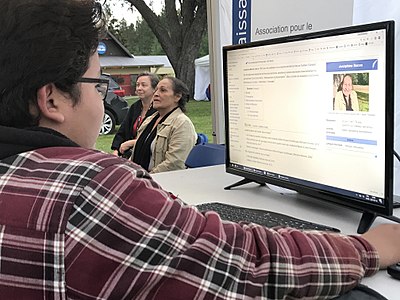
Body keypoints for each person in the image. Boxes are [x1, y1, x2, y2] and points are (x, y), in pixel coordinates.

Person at [1, 1, 400, 299]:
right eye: (98, 84)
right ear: (51, 100)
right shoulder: (87, 188)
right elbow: (250, 265)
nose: (102, 101)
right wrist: (371, 249)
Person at [126, 76, 197, 173]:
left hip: (161, 182)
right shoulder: (149, 120)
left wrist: (147, 179)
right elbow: (136, 154)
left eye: (163, 90)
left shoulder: (182, 124)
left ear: (177, 96)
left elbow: (174, 164)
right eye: (155, 90)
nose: (156, 94)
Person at [111, 72, 158, 157]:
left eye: (144, 85)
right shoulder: (135, 107)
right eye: (137, 85)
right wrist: (116, 150)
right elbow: (123, 131)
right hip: (128, 153)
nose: (139, 88)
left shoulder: (158, 109)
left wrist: (131, 143)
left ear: (154, 89)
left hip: (148, 155)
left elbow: (155, 138)